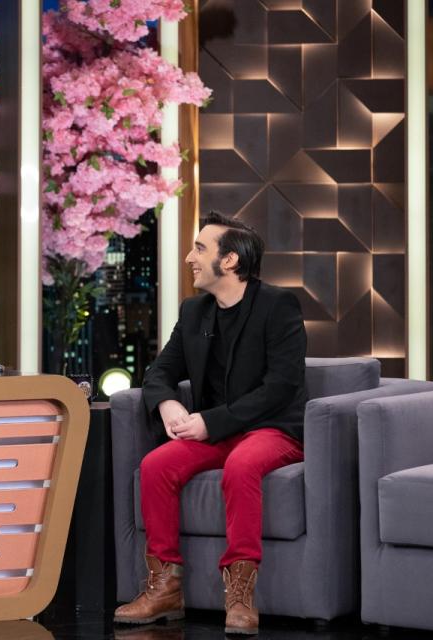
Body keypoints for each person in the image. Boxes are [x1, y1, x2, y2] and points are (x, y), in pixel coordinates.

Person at [113, 212, 307, 635]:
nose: (189, 258)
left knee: (241, 465)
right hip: (217, 432)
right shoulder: (194, 311)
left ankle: (240, 596)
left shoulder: (278, 305)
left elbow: (281, 387)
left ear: (231, 260)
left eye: (200, 249)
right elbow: (160, 371)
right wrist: (167, 404)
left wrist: (210, 422)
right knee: (156, 465)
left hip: (272, 428)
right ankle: (165, 589)